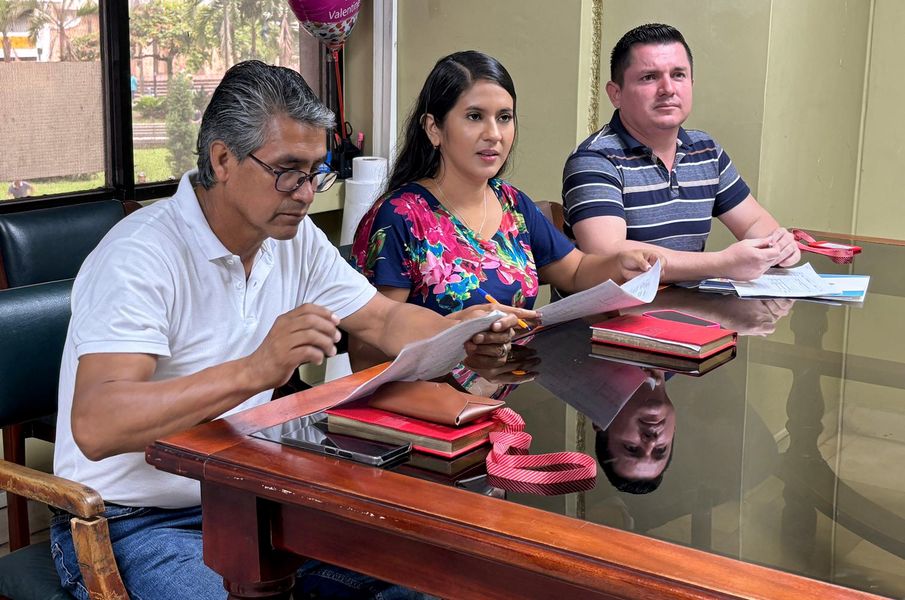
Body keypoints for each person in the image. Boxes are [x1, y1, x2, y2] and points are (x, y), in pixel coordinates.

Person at [51, 60, 520, 600]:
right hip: (130, 522)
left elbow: (384, 318)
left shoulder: (293, 240)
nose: (306, 193)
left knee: (431, 579)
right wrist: (256, 370)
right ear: (222, 159)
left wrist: (459, 333)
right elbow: (98, 424)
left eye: (316, 171)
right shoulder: (140, 255)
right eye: (288, 170)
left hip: (252, 496)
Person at [350, 50, 662, 379]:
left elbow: (575, 271)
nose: (494, 134)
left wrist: (618, 264)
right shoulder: (399, 216)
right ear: (434, 129)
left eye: (504, 117)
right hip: (431, 402)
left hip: (508, 393)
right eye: (474, 116)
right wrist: (454, 338)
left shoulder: (512, 203)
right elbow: (365, 352)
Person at [562, 23, 800, 283]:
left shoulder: (706, 150)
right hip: (613, 309)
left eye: (678, 75)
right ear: (616, 94)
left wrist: (778, 247)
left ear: (691, 84)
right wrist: (723, 263)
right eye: (649, 77)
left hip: (686, 305)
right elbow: (608, 254)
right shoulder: (594, 159)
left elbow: (755, 223)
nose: (668, 89)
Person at [594, 369, 676, 494]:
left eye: (631, 448)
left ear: (600, 421)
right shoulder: (699, 360)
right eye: (660, 450)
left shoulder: (581, 360)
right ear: (674, 429)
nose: (651, 442)